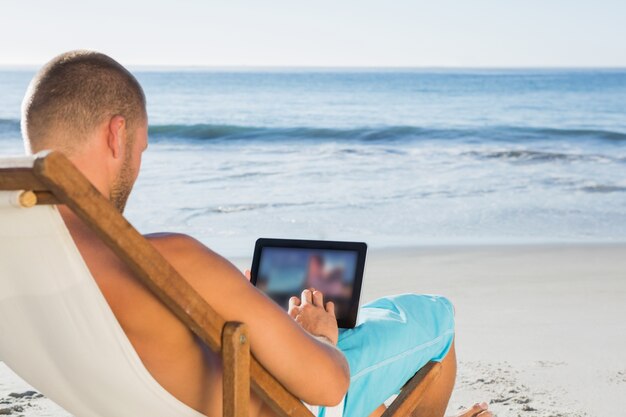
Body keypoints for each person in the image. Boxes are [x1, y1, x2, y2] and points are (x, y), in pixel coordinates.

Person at [20, 50, 492, 417]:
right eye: (141, 148)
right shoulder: (172, 260)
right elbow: (327, 384)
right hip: (286, 400)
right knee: (436, 318)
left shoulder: (18, 266)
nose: (139, 164)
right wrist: (317, 336)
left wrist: (232, 299)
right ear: (116, 135)